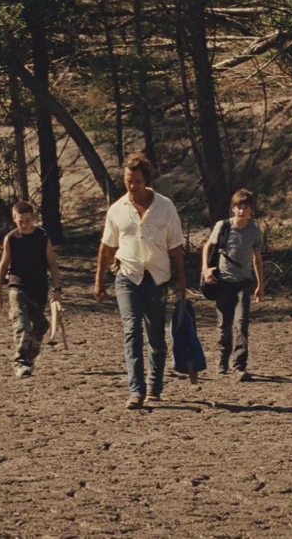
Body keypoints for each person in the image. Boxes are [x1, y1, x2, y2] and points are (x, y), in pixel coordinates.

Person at [94, 153, 187, 410]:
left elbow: (177, 248)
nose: (131, 186)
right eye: (127, 181)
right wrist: (99, 280)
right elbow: (107, 247)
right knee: (131, 329)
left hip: (156, 278)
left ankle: (155, 386)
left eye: (136, 181)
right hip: (127, 276)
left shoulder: (166, 207)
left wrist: (181, 283)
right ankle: (136, 390)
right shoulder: (117, 210)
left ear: (146, 179)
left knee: (155, 335)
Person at [200, 189, 265, 381]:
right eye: (238, 207)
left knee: (242, 324)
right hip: (223, 282)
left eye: (245, 207)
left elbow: (257, 259)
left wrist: (260, 285)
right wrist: (205, 269)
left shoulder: (254, 232)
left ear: (251, 210)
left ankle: (239, 365)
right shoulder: (223, 226)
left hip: (243, 283)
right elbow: (208, 246)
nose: (241, 211)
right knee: (224, 325)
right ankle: (223, 359)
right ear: (233, 208)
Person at [0, 201, 63, 377]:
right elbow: (3, 265)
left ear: (33, 219)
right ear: (14, 219)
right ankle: (20, 362)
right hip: (17, 286)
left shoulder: (42, 237)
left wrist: (57, 290)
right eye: (20, 221)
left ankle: (28, 358)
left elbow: (52, 264)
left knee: (40, 326)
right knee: (22, 325)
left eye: (27, 220)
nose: (24, 225)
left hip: (39, 288)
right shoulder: (11, 239)